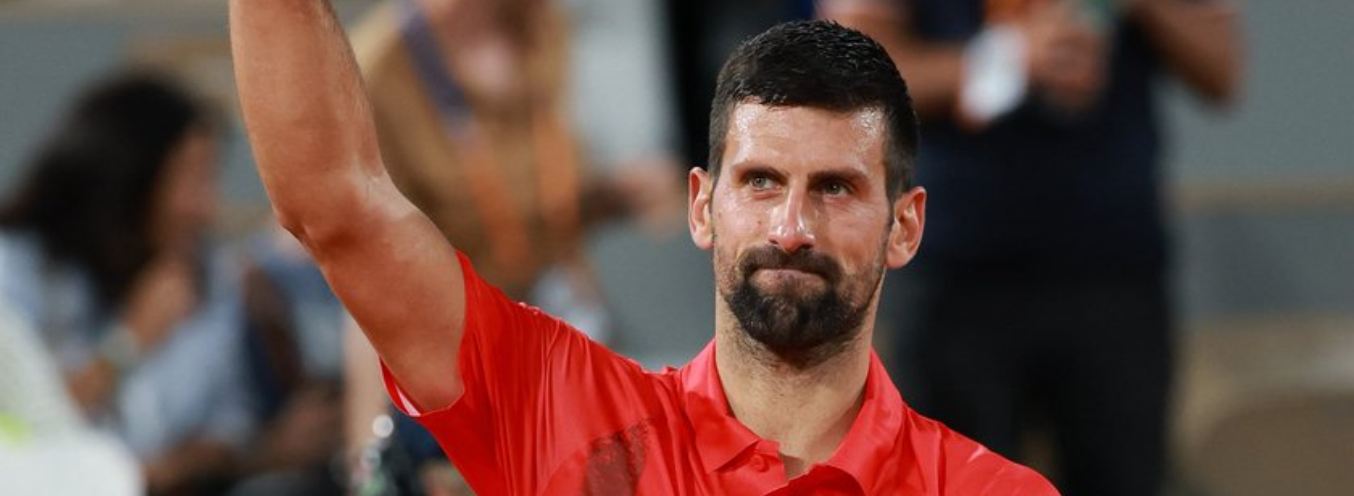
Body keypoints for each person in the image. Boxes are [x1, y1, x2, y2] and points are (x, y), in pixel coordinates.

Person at [230, 1, 1057, 493]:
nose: (790, 228)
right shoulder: (563, 415)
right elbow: (334, 205)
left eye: (835, 188)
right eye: (760, 182)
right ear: (702, 207)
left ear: (905, 225)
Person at [822, 0, 1242, 494]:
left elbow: (1223, 70)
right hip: (957, 276)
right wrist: (1002, 58)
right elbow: (850, 79)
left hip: (1114, 275)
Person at [0, 72, 255, 494]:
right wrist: (130, 342)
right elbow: (32, 426)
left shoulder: (206, 273)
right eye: (192, 177)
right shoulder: (17, 268)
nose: (207, 207)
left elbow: (230, 428)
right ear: (128, 178)